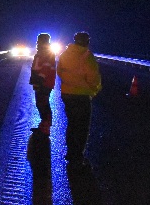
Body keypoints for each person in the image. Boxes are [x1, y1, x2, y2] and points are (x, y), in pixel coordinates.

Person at [56, 31, 102, 169]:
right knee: (82, 128)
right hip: (81, 96)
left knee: (72, 124)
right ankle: (78, 157)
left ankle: (71, 153)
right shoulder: (87, 56)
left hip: (67, 94)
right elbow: (94, 78)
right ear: (87, 41)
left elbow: (60, 71)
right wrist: (94, 90)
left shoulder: (65, 54)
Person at [29, 33, 56, 135]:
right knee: (40, 103)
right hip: (40, 81)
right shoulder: (41, 52)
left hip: (44, 83)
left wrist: (40, 79)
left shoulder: (46, 52)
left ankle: (46, 127)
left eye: (39, 40)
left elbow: (46, 67)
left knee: (43, 104)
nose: (37, 42)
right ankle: (43, 125)